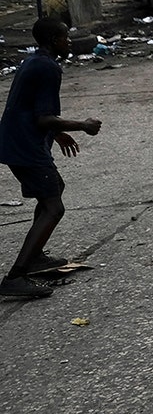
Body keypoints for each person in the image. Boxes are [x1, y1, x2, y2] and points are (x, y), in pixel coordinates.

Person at [0, 18, 102, 299]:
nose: (68, 42)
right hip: (25, 145)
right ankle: (16, 276)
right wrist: (82, 125)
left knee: (54, 190)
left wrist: (57, 134)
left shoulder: (34, 61)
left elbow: (31, 108)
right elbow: (43, 117)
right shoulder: (47, 67)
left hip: (18, 140)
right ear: (53, 40)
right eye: (65, 37)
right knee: (54, 207)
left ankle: (35, 258)